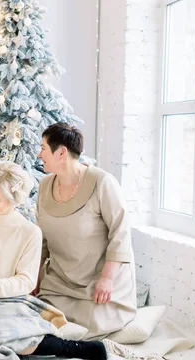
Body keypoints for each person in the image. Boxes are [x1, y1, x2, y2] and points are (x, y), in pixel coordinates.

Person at [0, 162, 107, 360]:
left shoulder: (29, 232)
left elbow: (26, 282)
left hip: (12, 301)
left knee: (6, 332)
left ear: (14, 198)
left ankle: (70, 348)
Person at [36, 122, 137, 340]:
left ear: (61, 152)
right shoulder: (45, 186)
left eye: (43, 148)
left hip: (97, 283)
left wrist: (107, 279)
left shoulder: (103, 183)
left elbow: (121, 233)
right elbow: (41, 239)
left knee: (85, 330)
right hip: (59, 282)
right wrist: (35, 276)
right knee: (40, 320)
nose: (39, 154)